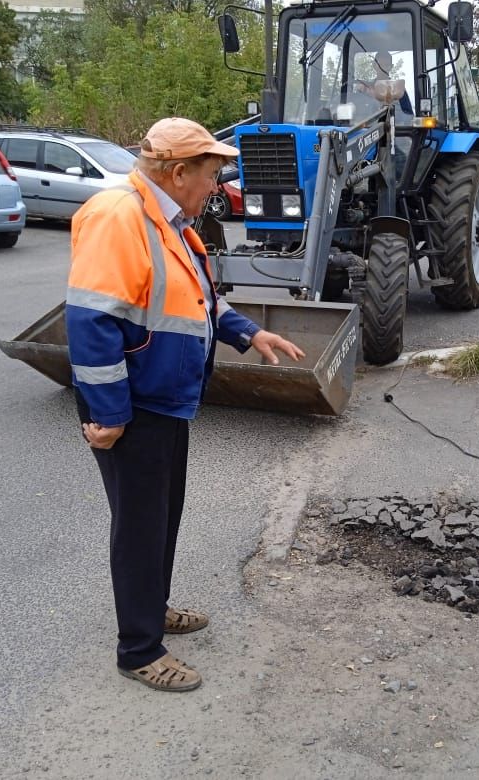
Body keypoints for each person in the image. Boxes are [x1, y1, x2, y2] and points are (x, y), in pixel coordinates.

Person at [66, 117, 305, 692]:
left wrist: (249, 333)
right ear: (177, 173)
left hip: (166, 401)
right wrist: (109, 414)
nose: (216, 189)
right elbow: (91, 321)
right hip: (135, 408)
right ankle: (139, 648)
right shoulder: (118, 216)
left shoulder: (170, 221)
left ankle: (154, 606)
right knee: (140, 526)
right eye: (210, 176)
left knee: (161, 516)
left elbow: (198, 299)